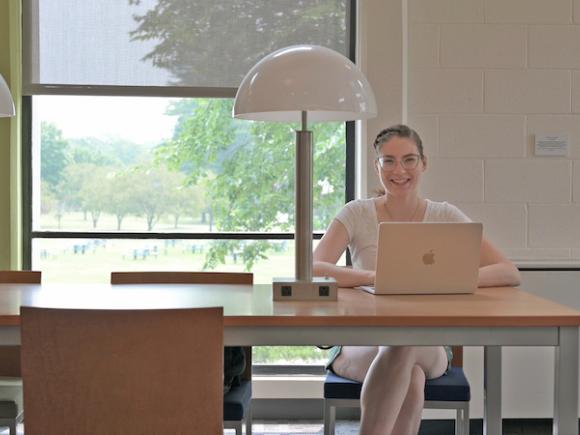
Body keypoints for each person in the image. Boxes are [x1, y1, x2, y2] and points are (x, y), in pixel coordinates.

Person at [313, 124, 521, 435]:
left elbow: (508, 271)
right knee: (410, 373)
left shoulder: (445, 215)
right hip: (361, 341)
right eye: (389, 160)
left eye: (409, 159)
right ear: (377, 166)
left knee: (404, 340)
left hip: (428, 343)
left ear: (424, 163)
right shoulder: (357, 213)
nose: (400, 170)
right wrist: (374, 277)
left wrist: (449, 279)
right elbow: (314, 267)